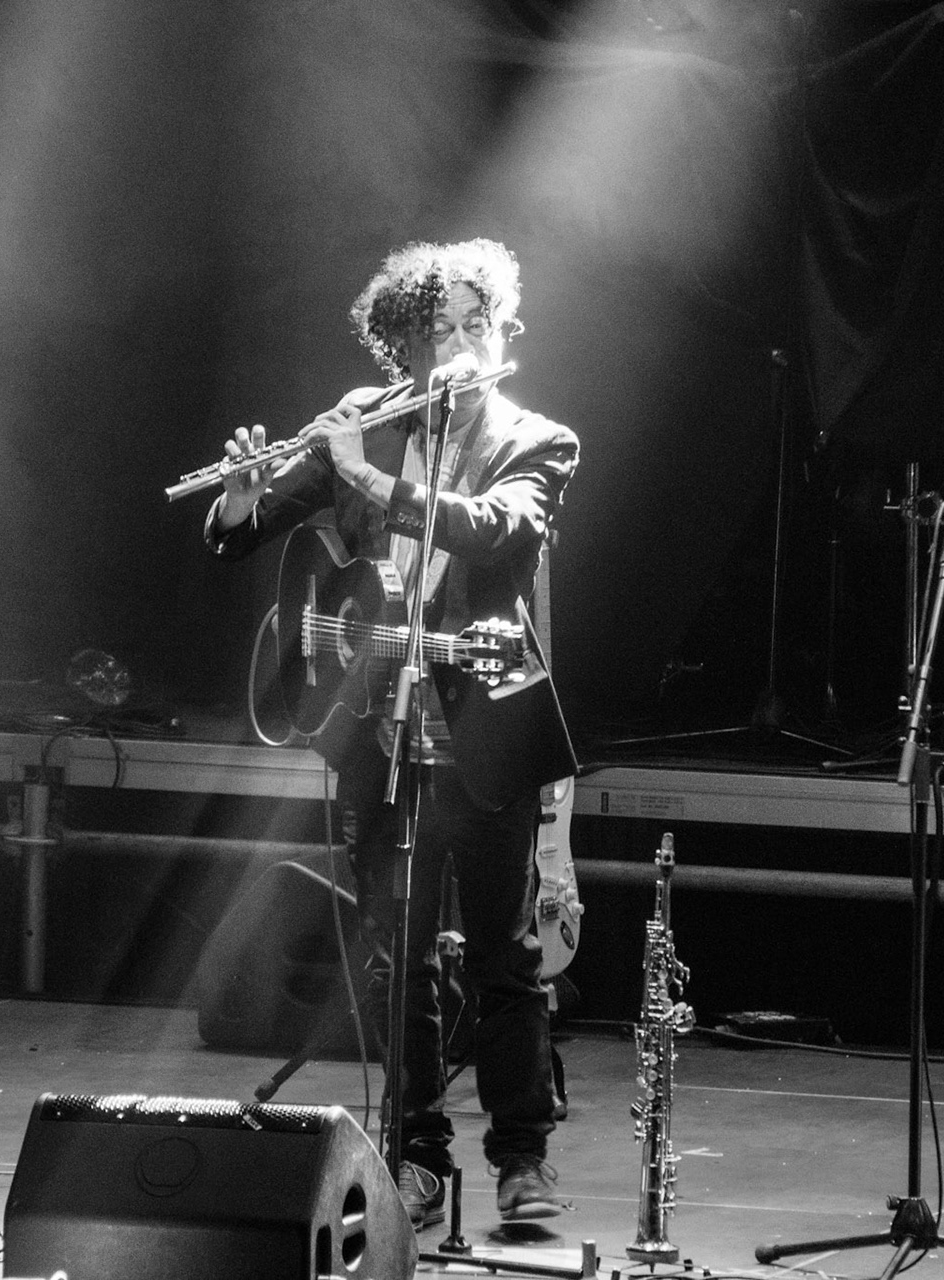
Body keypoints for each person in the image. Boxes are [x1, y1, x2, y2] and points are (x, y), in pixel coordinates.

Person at [204, 239, 579, 1228]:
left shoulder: (539, 439)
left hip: (486, 728)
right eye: (436, 330)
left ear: (501, 330)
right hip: (380, 734)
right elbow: (247, 534)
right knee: (395, 957)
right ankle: (416, 1156)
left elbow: (496, 529)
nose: (457, 345)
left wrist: (364, 478)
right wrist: (241, 499)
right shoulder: (367, 424)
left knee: (504, 957)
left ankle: (523, 1160)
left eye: (474, 325)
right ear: (402, 347)